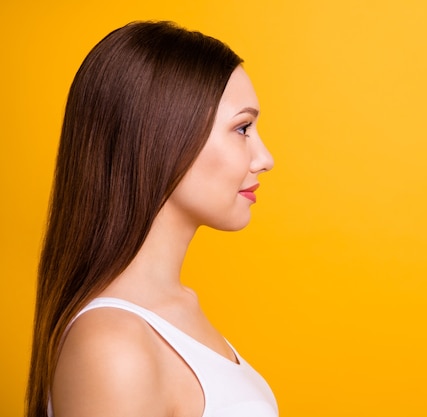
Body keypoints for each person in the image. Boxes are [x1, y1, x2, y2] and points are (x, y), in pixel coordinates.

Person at [26, 21, 276, 417]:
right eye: (242, 128)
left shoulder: (178, 309)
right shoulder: (112, 345)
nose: (265, 159)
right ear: (163, 137)